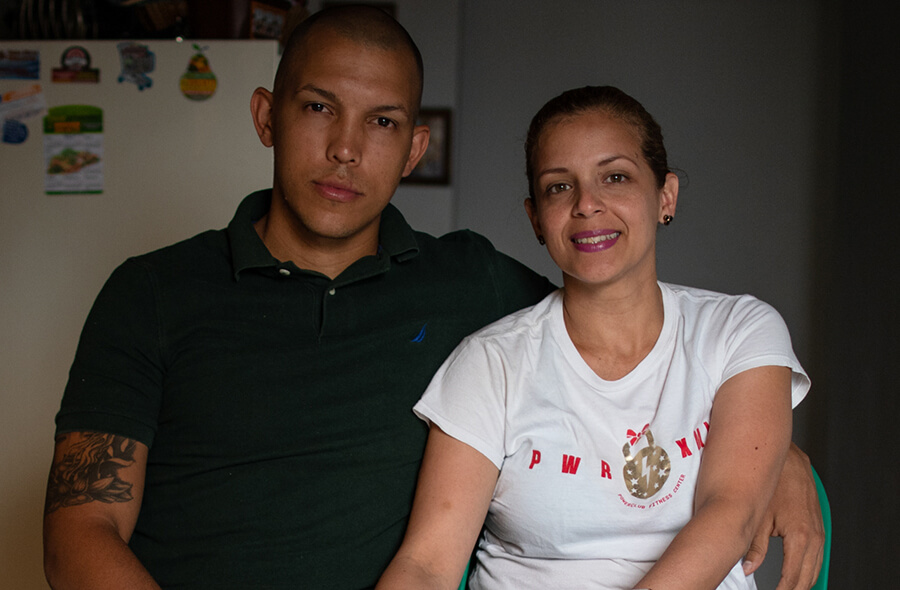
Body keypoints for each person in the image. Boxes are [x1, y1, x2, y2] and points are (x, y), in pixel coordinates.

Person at [42, 7, 822, 590]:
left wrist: (771, 444)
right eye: (318, 107)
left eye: (381, 122)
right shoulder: (152, 292)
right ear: (265, 117)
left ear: (414, 147)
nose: (347, 148)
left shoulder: (466, 282)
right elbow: (82, 528)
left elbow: (607, 325)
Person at [377, 86, 818, 590]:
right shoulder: (490, 363)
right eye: (559, 187)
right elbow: (428, 565)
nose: (587, 204)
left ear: (665, 196)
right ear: (536, 219)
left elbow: (731, 512)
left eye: (615, 177)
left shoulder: (739, 330)